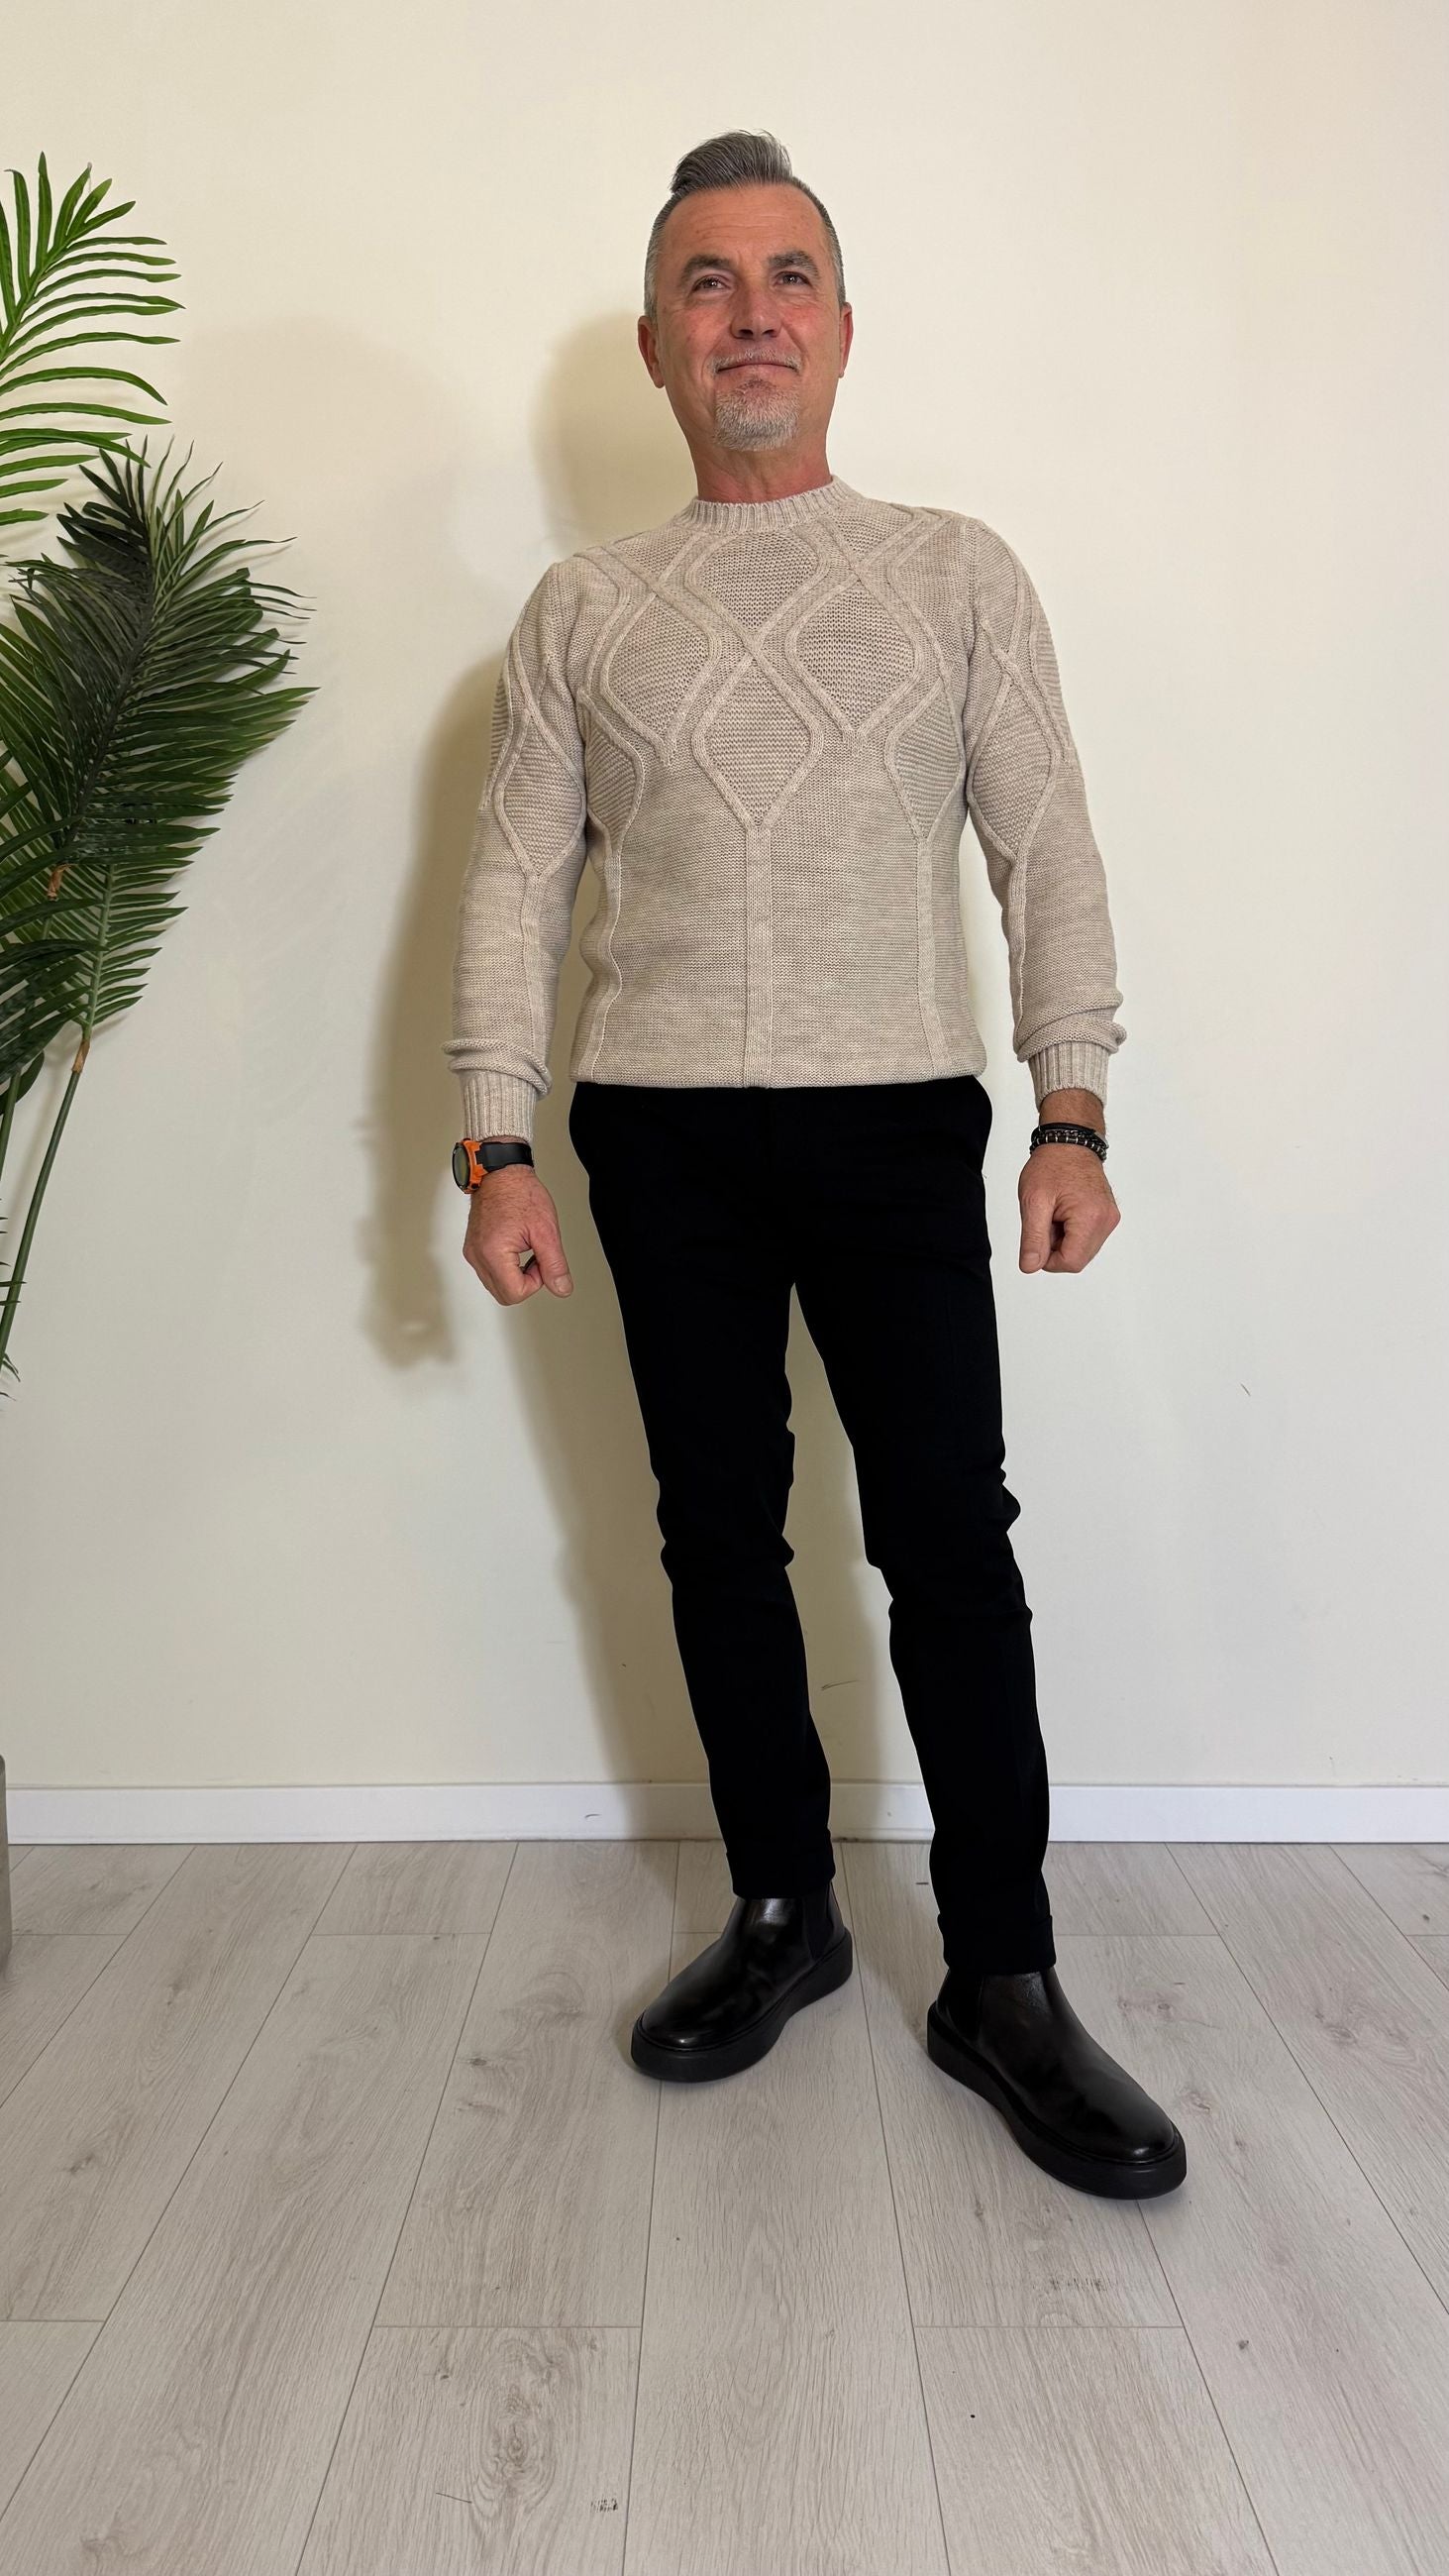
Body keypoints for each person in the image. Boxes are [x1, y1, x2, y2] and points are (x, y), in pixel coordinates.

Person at [445, 129, 1186, 2201]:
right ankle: (785, 1908)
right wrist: (495, 1139)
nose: (751, 314)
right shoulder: (583, 608)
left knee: (948, 1539)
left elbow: (1049, 847)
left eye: (787, 278)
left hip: (895, 1116)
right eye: (708, 283)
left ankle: (1005, 1976)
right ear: (657, 348)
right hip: (657, 1127)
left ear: (843, 329)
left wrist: (1071, 1104)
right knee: (715, 1533)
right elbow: (511, 886)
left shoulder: (956, 572)